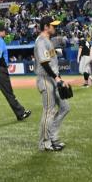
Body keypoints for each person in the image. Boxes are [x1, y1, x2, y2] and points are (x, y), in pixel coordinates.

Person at [34, 17, 70, 151]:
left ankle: (53, 137)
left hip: (53, 79)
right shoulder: (41, 41)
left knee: (65, 107)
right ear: (45, 27)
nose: (55, 27)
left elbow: (53, 63)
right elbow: (44, 63)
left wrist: (59, 78)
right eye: (52, 25)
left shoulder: (48, 41)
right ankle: (44, 142)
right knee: (49, 111)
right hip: (45, 79)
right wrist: (56, 78)